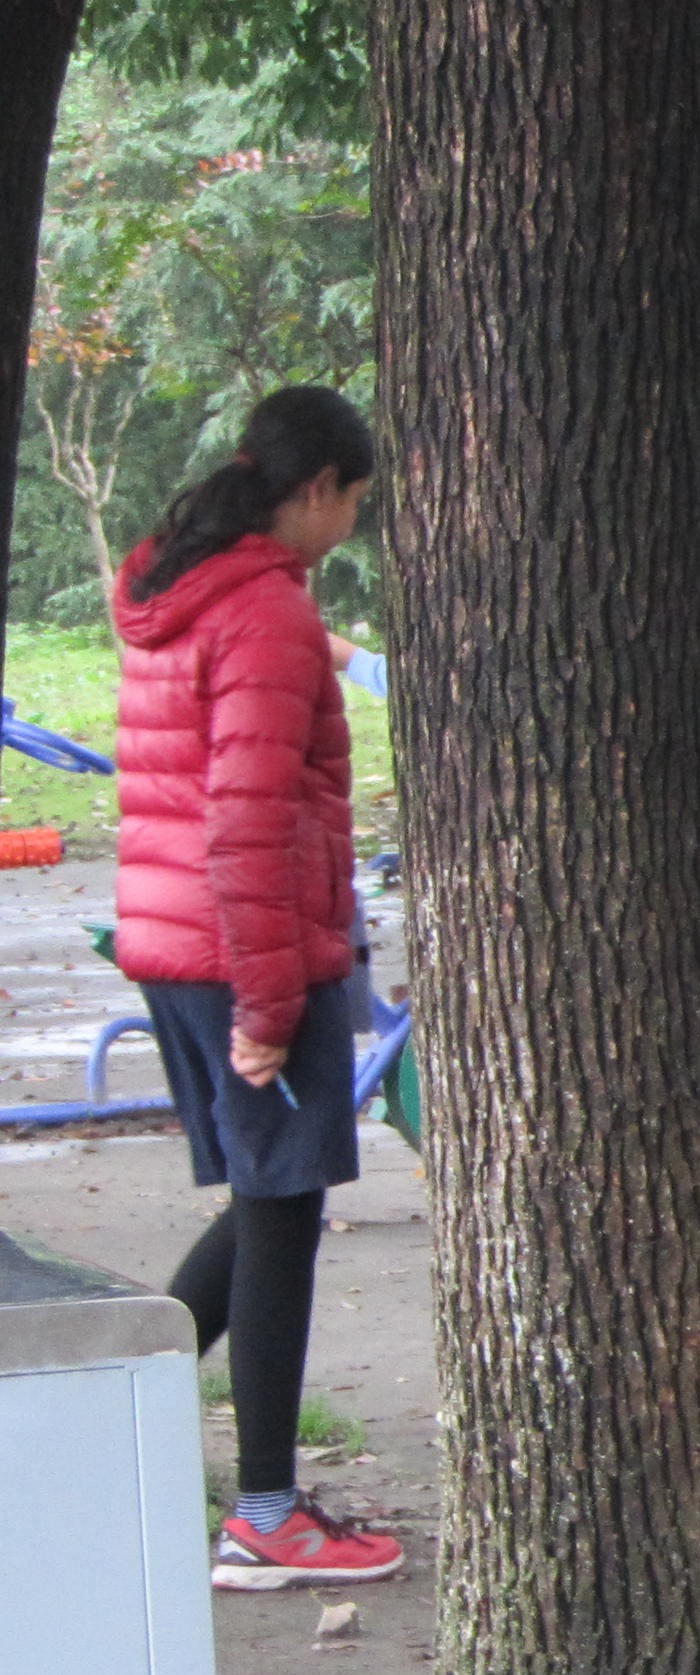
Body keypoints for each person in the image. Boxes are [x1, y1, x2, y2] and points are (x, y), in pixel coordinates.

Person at [110, 385, 404, 1589]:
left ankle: (104, 1412)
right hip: (249, 950)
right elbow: (245, 820)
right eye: (356, 505)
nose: (354, 527)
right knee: (282, 1218)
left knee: (261, 1204)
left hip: (175, 940)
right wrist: (275, 1009)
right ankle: (267, 1515)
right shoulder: (266, 615)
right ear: (321, 488)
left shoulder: (178, 586)